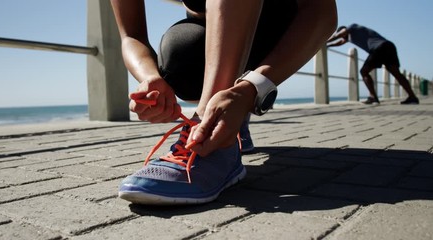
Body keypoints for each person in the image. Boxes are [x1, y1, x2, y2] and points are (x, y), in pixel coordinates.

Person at [111, 0, 337, 205]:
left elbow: (321, 11)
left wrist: (252, 88)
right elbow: (132, 36)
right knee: (179, 55)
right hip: (214, 37)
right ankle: (229, 122)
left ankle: (214, 139)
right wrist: (150, 78)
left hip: (280, 30)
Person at [327, 24, 420, 105]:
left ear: (344, 31)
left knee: (364, 71)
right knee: (397, 74)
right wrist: (328, 45)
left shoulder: (352, 27)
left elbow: (339, 36)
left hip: (379, 48)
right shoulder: (350, 37)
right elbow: (339, 42)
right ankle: (412, 97)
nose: (343, 39)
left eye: (343, 36)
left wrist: (325, 41)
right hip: (389, 46)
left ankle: (373, 97)